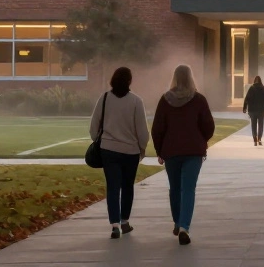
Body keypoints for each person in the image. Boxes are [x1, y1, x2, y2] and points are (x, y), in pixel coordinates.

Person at [151, 64, 216, 245]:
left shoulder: (165, 100)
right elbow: (209, 126)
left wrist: (160, 150)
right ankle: (184, 227)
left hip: (171, 151)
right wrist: (202, 140)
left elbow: (157, 128)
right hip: (193, 151)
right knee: (188, 189)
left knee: (174, 188)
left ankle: (177, 221)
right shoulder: (199, 99)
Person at [89, 66, 150, 239]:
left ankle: (114, 224)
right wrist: (142, 148)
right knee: (127, 186)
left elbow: (94, 125)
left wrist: (98, 141)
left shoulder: (105, 98)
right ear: (130, 81)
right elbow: (142, 131)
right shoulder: (136, 101)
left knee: (113, 187)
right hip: (130, 151)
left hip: (109, 150)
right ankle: (125, 221)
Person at [242, 75, 264, 146]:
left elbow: (247, 99)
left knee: (253, 124)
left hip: (252, 110)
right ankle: (259, 138)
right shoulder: (263, 89)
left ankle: (255, 138)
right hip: (261, 110)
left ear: (254, 81)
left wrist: (244, 107)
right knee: (261, 125)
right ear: (260, 81)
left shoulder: (251, 88)